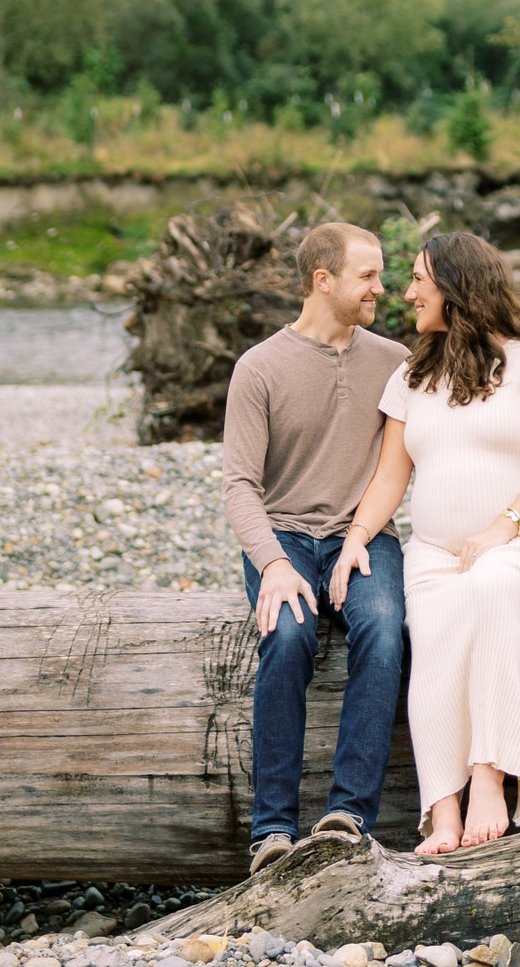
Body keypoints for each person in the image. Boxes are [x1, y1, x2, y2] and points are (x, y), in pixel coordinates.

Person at [329, 230, 520, 855]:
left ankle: (490, 779)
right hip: (434, 554)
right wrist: (357, 537)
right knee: (432, 634)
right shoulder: (411, 375)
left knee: (489, 589)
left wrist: (500, 530)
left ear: (456, 287)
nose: (407, 293)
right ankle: (442, 810)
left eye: (419, 280)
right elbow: (391, 476)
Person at [220, 221, 410, 875]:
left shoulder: (394, 361)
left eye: (382, 275)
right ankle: (271, 828)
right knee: (289, 632)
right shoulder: (258, 367)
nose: (381, 288)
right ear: (323, 280)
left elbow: (444, 436)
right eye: (368, 275)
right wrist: (273, 563)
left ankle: (348, 816)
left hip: (366, 535)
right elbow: (240, 485)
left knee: (384, 628)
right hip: (284, 535)